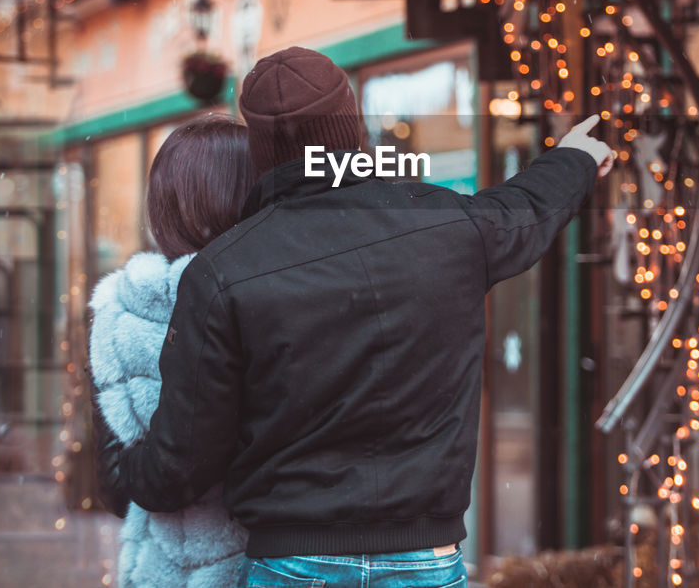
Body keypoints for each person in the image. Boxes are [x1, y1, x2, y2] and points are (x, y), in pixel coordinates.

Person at [98, 46, 612, 587]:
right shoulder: (450, 228)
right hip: (426, 559)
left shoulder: (222, 271)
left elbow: (183, 465)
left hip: (292, 564)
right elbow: (528, 205)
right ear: (353, 131)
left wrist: (122, 473)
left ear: (262, 152)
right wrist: (575, 157)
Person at [88, 115, 254, 587]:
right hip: (271, 567)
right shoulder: (271, 296)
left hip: (157, 572)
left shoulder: (116, 314)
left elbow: (116, 488)